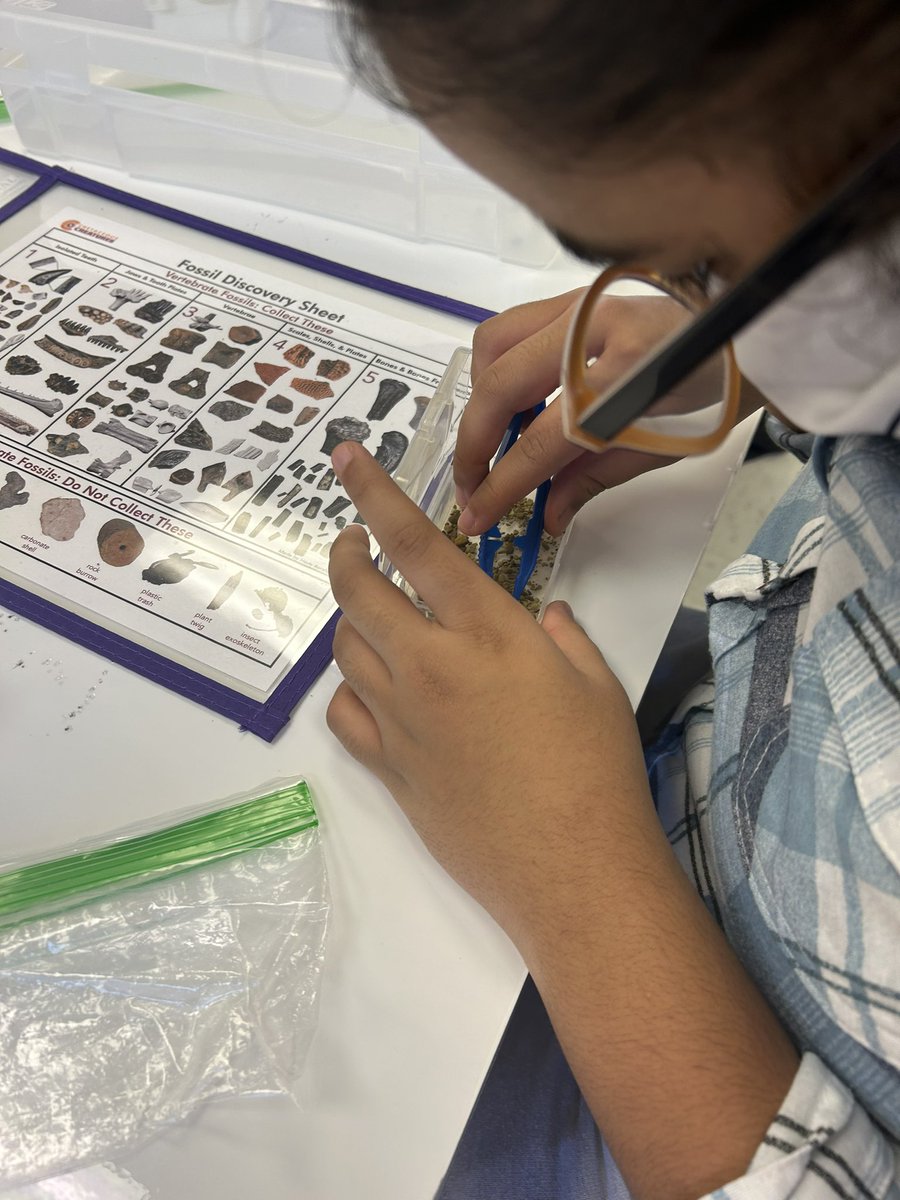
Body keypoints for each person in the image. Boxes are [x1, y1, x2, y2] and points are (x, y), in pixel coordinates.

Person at [323, 1, 900, 1196]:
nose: (685, 295)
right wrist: (763, 346)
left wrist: (572, 872)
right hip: (743, 766)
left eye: (700, 263)